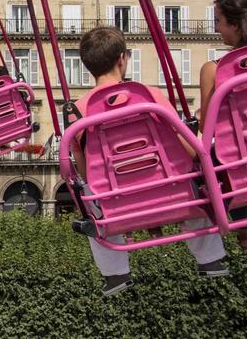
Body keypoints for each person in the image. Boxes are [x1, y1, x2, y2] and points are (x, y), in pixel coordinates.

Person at [72, 27, 228, 297]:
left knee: (90, 208)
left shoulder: (77, 111)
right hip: (173, 193)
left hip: (117, 203)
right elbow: (187, 148)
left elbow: (85, 171)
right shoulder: (149, 96)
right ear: (122, 59)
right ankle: (211, 258)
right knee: (197, 189)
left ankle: (114, 273)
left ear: (87, 65)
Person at [198, 0, 247, 252]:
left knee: (206, 163)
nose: (217, 28)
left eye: (219, 21)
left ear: (237, 26)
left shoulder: (216, 70)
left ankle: (245, 233)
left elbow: (208, 129)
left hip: (242, 161)